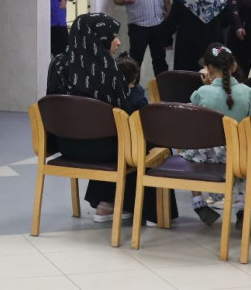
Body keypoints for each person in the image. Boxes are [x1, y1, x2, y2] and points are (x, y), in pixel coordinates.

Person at [46, 13, 173, 224]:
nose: (118, 41)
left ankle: (106, 203)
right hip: (103, 150)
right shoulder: (107, 70)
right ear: (99, 38)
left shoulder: (58, 63)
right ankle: (152, 212)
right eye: (112, 35)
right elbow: (126, 115)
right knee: (147, 139)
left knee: (108, 137)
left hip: (66, 145)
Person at [181, 44, 251, 233]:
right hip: (235, 156)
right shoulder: (248, 91)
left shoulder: (202, 92)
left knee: (191, 148)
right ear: (234, 66)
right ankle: (242, 211)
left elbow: (192, 122)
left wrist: (206, 86)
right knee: (245, 153)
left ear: (208, 69)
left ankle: (198, 202)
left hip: (205, 156)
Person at [160, 0, 228, 72]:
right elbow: (227, 20)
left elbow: (172, 21)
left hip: (187, 44)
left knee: (188, 76)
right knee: (213, 72)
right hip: (213, 41)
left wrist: (166, 40)